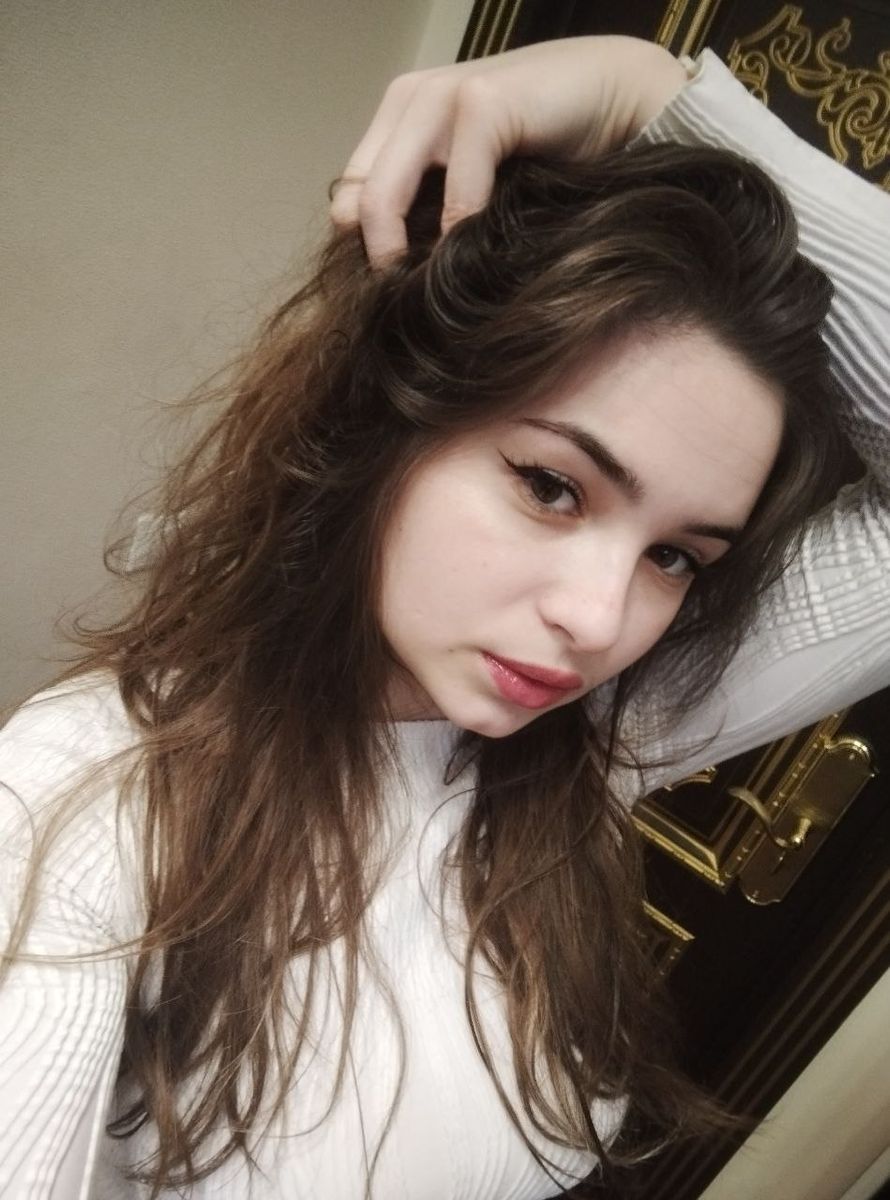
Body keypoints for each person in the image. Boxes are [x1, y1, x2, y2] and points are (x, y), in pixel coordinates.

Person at [0, 34, 887, 1200]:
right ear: (383, 422)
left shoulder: (595, 734)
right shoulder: (87, 799)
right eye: (551, 487)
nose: (599, 621)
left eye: (673, 554)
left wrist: (647, 95)